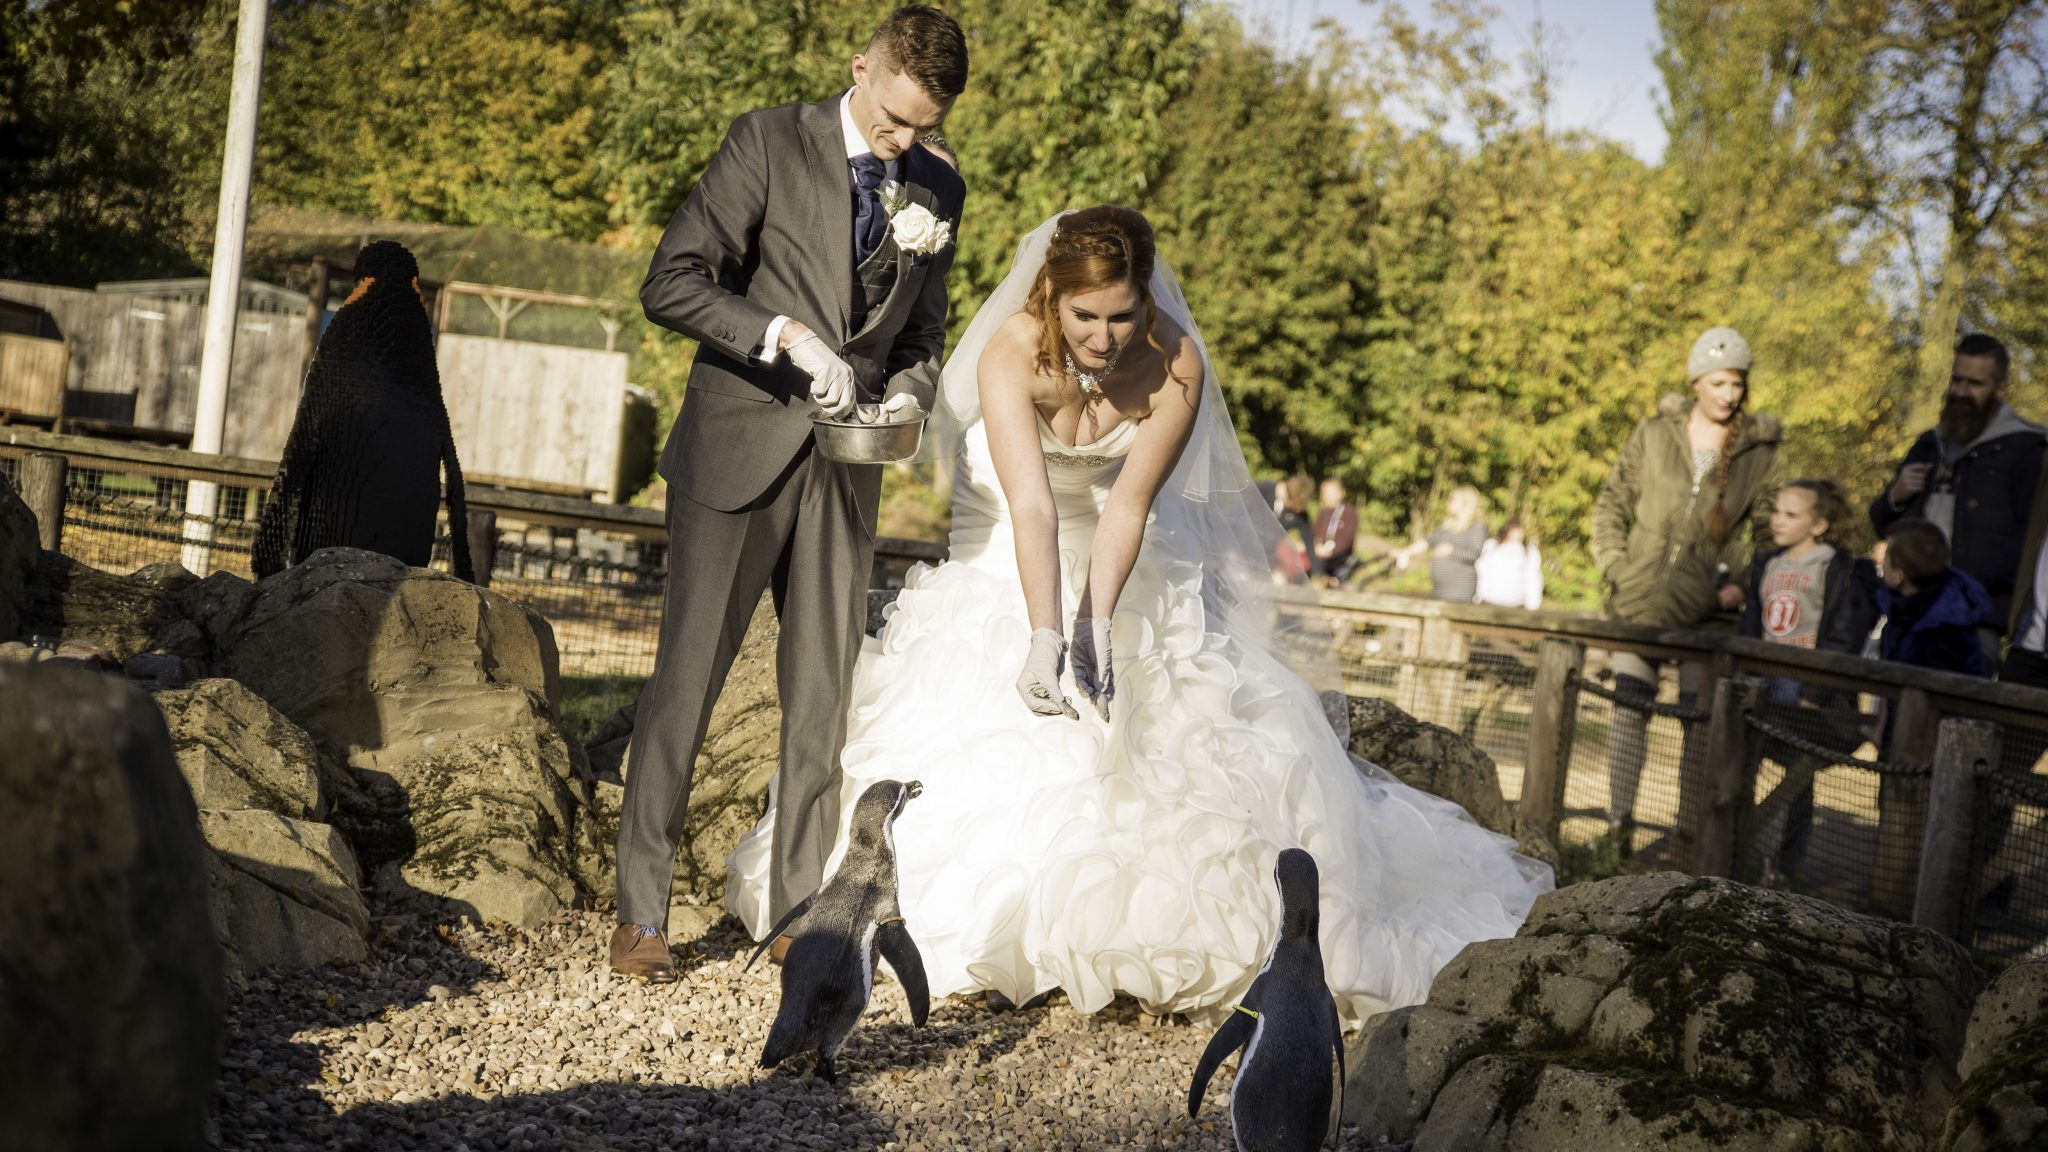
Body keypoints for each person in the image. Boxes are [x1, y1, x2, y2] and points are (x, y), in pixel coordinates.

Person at [727, 207, 1551, 1026]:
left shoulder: (1175, 365)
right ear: (1052, 296)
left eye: (1123, 315)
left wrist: (1095, 625)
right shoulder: (1012, 352)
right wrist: (1045, 633)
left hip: (1124, 565)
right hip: (1009, 553)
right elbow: (1034, 509)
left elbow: (1125, 509)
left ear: (1148, 302)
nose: (1103, 336)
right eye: (1085, 315)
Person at [610, 6, 970, 983]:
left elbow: (921, 334)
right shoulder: (765, 140)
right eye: (894, 123)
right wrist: (782, 336)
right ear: (861, 67)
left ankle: (797, 912)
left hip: (845, 469)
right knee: (685, 686)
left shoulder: (939, 186)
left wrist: (907, 389)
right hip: (736, 450)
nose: (906, 147)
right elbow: (671, 281)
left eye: (922, 129)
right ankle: (641, 914)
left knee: (820, 701)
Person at [1589, 326, 1783, 837]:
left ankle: (1687, 840)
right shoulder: (1654, 434)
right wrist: (1615, 565)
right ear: (1697, 380)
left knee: (1700, 729)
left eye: (1737, 384)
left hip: (1709, 618)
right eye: (1718, 382)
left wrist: (1743, 583)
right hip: (1638, 603)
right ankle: (1617, 831)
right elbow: (1611, 503)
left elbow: (1769, 531)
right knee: (1629, 713)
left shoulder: (1759, 451)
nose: (1728, 394)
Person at [1736, 479, 1879, 877]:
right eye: (1777, 511)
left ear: (1818, 524)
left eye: (1791, 515)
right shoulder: (1767, 562)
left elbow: (1845, 634)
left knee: (1798, 777)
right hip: (1764, 681)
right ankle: (1739, 852)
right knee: (1744, 763)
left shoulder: (1839, 568)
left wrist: (1815, 689)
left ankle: (1788, 864)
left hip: (1805, 689)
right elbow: (1752, 624)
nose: (1778, 521)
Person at [1870, 333, 2042, 661]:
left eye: (1974, 383)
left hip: (1973, 619)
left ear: (2001, 390)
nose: (1961, 392)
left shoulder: (2026, 450)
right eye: (1957, 380)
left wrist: (1963, 587)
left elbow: (2027, 542)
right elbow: (1883, 524)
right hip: (1909, 610)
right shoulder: (1929, 444)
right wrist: (1896, 495)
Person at [1877, 519, 1993, 679]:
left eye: (1887, 557)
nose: (1882, 563)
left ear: (1899, 575)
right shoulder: (1901, 610)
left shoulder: (1942, 631)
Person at [1473, 518, 1543, 610]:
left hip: (1516, 605)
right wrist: (1477, 596)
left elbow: (1533, 579)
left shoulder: (1530, 552)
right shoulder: (1491, 545)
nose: (1516, 535)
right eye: (1513, 531)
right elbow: (1481, 570)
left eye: (1519, 531)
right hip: (1488, 601)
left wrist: (1532, 605)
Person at [1309, 476, 1359, 584]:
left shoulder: (1349, 512)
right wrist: (1318, 546)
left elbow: (1347, 538)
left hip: (1341, 559)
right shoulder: (1322, 513)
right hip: (1322, 558)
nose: (1327, 496)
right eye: (1325, 493)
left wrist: (1332, 551)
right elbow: (1315, 534)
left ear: (1341, 493)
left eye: (1331, 492)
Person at [1272, 473, 1314, 581]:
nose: (1294, 508)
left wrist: (1318, 573)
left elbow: (1309, 541)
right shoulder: (1264, 492)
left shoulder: (1299, 515)